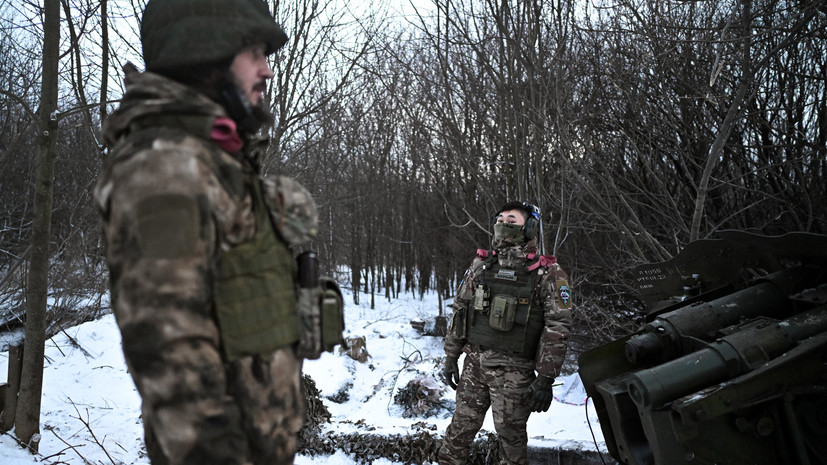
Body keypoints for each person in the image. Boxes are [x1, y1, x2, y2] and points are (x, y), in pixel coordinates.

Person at [94, 1, 318, 464]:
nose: (268, 70)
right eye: (254, 53)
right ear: (206, 54)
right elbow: (170, 353)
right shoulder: (166, 164)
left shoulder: (210, 158)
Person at [439, 201, 573, 465]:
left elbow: (557, 327)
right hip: (475, 365)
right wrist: (450, 356)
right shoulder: (482, 266)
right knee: (459, 432)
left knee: (510, 440)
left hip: (514, 371)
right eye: (500, 220)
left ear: (530, 227)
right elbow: (460, 311)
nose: (503, 225)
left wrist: (545, 379)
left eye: (511, 220)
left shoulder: (548, 273)